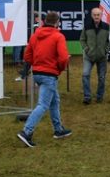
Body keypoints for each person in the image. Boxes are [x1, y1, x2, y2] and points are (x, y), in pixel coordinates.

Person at [17, 12, 72, 147]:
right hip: (50, 74)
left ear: (44, 21)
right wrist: (59, 68)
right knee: (43, 105)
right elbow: (63, 57)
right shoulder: (58, 36)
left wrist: (36, 64)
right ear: (57, 22)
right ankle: (26, 132)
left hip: (37, 72)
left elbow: (27, 55)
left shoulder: (35, 35)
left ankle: (58, 129)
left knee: (54, 101)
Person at [80, 6, 110, 104]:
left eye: (98, 15)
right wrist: (86, 49)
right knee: (85, 75)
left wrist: (106, 50)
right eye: (94, 15)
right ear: (92, 16)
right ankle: (87, 97)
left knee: (102, 77)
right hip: (89, 56)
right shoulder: (87, 26)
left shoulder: (106, 27)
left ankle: (99, 96)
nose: (96, 16)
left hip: (102, 57)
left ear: (101, 15)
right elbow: (82, 39)